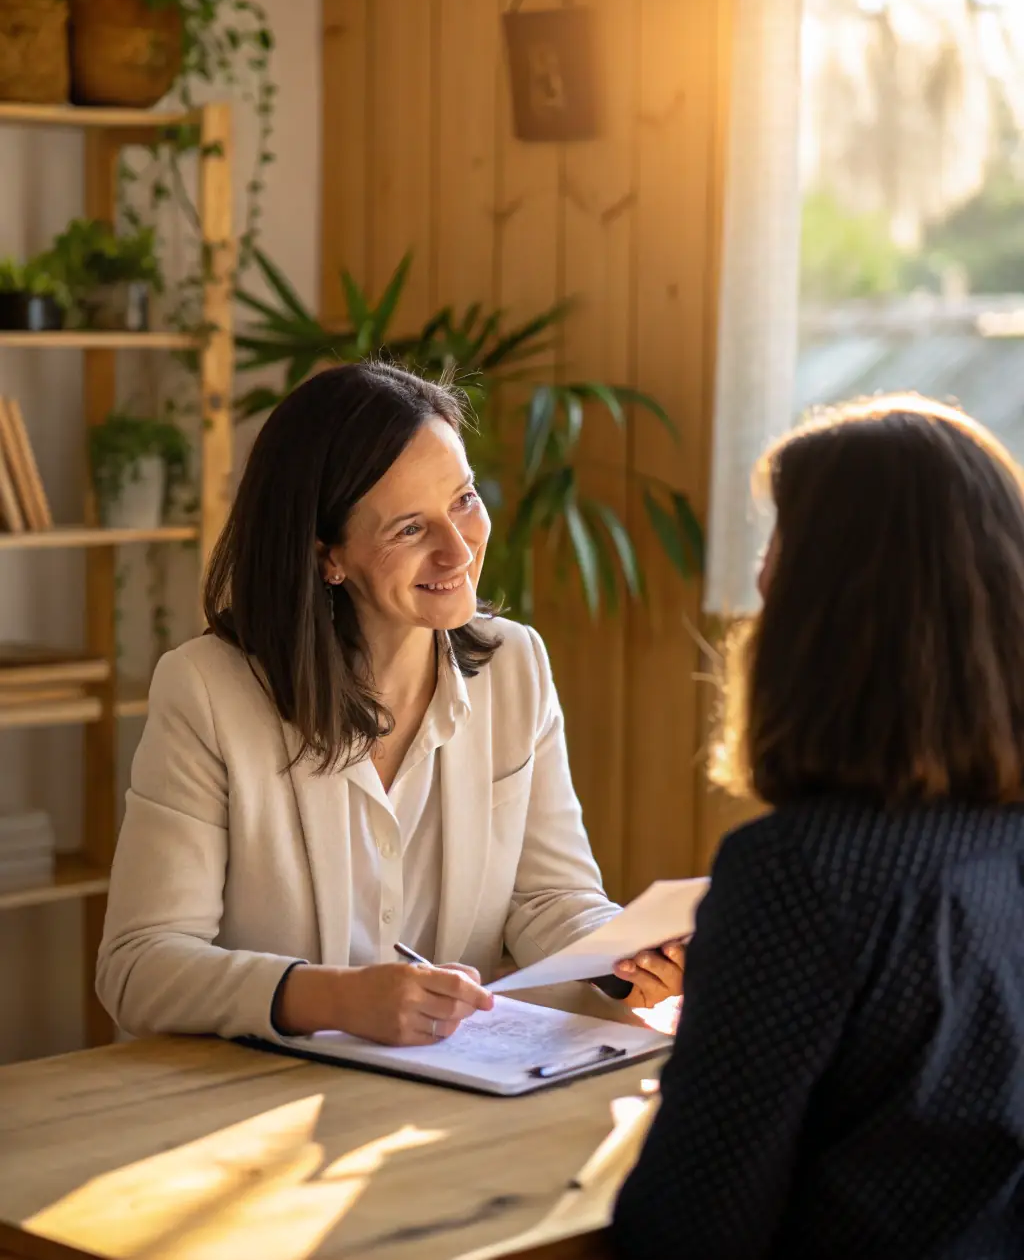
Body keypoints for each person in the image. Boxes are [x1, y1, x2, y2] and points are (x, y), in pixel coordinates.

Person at [97, 362, 683, 1047]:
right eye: (409, 529)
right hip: (258, 1090)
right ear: (328, 557)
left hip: (453, 1087)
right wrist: (336, 998)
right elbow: (137, 967)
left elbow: (549, 898)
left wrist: (632, 958)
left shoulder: (515, 665)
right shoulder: (205, 690)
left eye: (463, 499)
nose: (458, 550)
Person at [613, 394, 1024, 1259]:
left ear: (835, 604)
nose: (762, 576)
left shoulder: (800, 871)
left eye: (782, 544)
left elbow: (688, 1228)